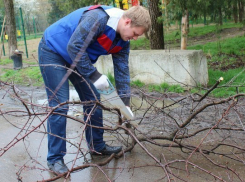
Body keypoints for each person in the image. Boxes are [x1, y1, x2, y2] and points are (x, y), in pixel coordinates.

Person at [38, 5, 151, 174]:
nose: (134, 38)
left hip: (76, 57)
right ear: (127, 21)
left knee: (93, 99)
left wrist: (125, 104)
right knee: (60, 105)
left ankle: (97, 147)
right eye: (135, 33)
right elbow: (74, 47)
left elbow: (122, 72)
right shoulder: (98, 19)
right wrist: (95, 75)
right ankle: (55, 159)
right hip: (53, 50)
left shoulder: (123, 41)